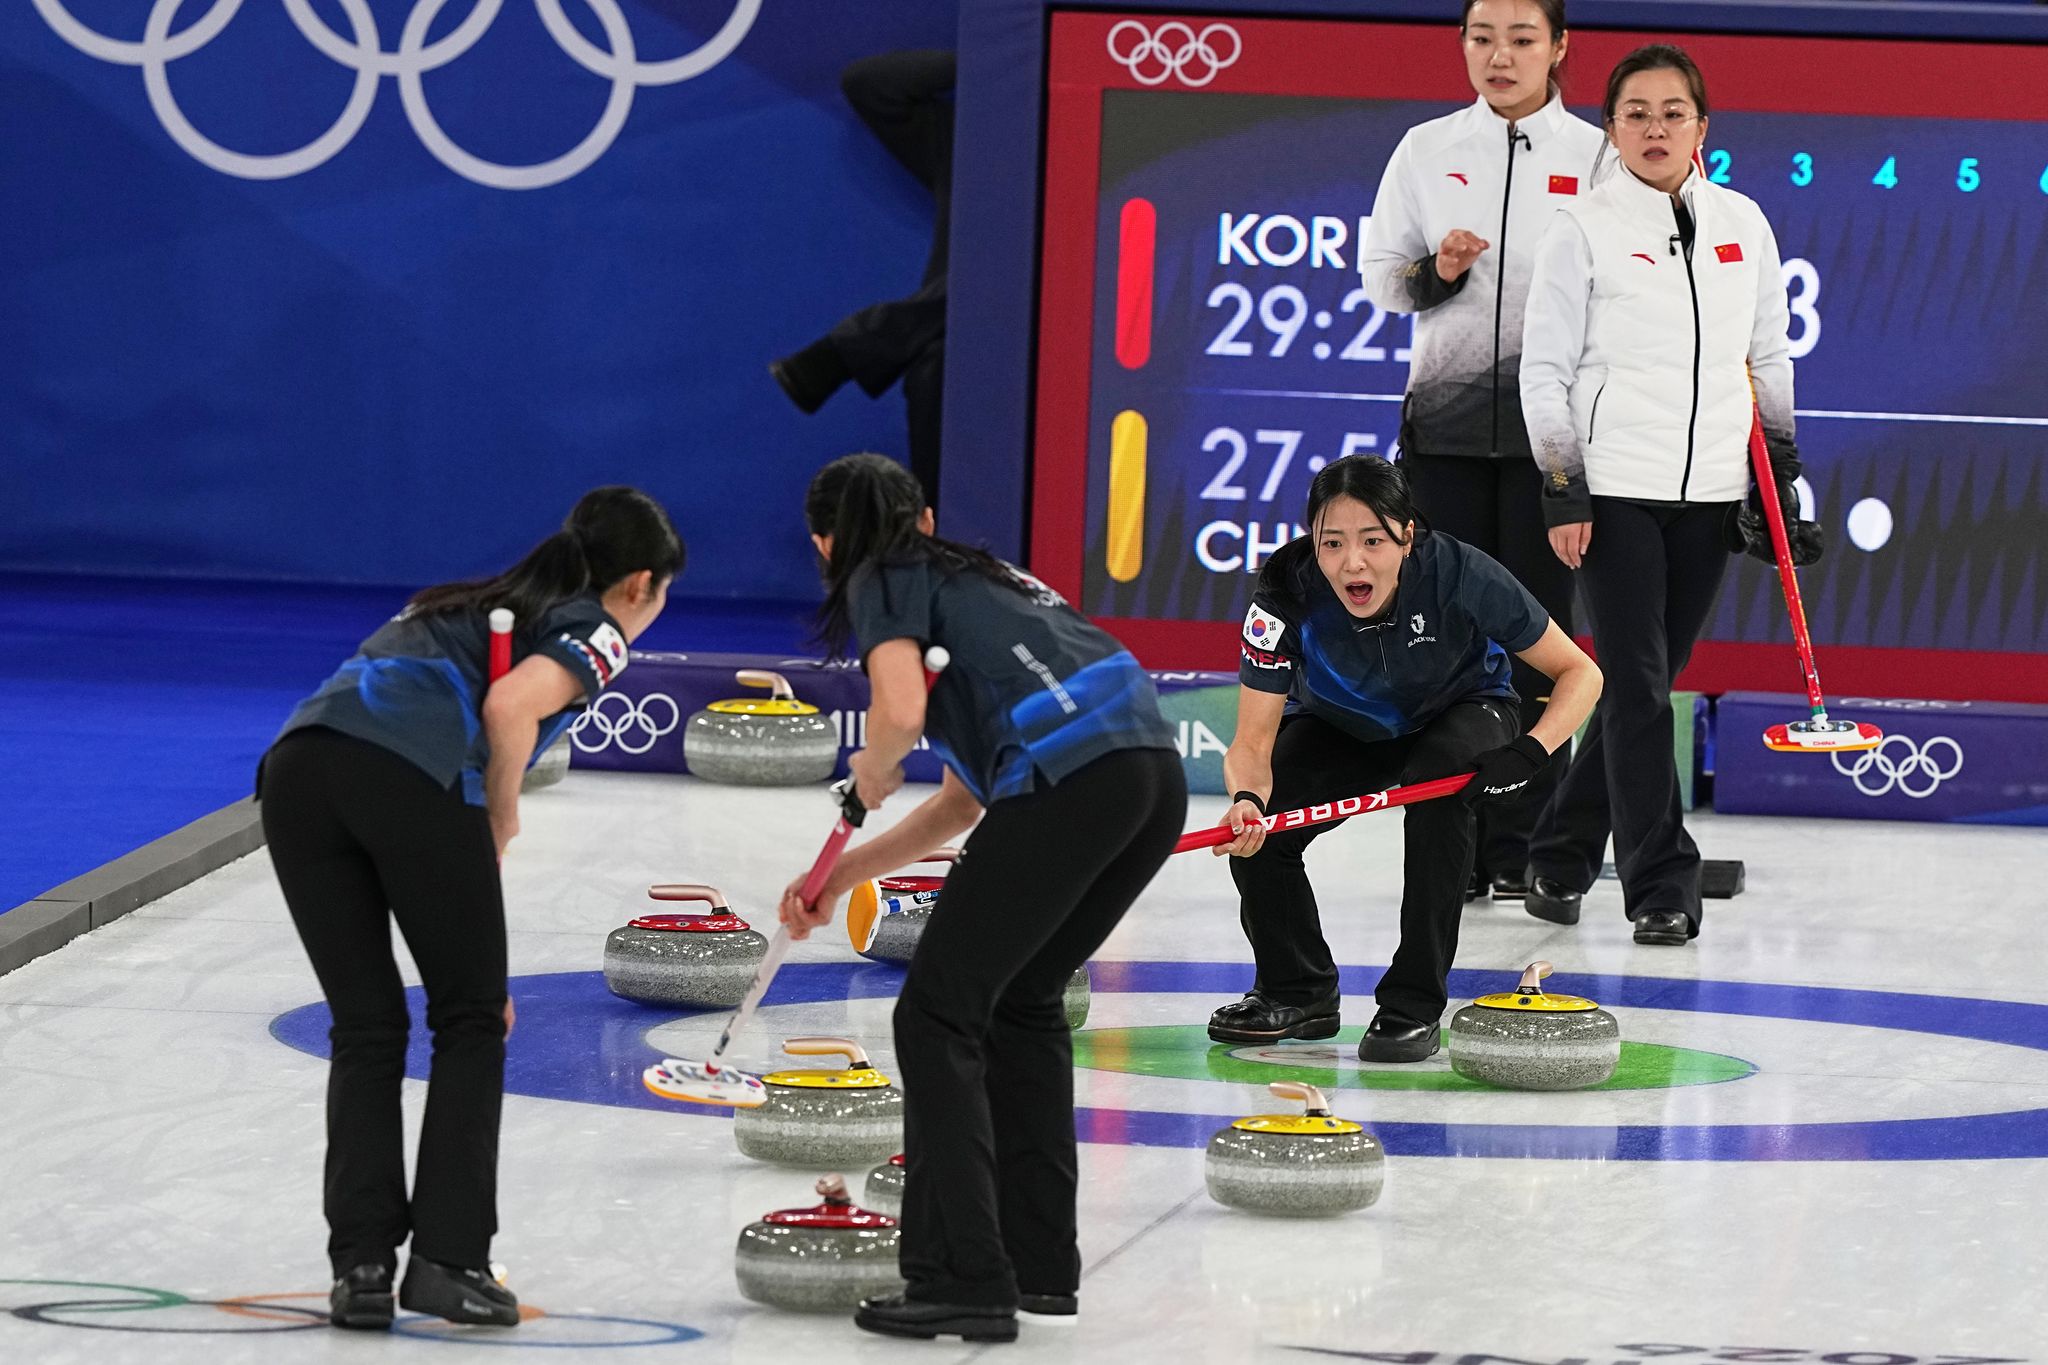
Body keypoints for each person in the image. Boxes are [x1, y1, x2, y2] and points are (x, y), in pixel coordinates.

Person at [776, 453, 1185, 1343]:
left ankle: (962, 1273)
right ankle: (1036, 1262)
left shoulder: (886, 571)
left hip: (1074, 780)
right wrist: (838, 877)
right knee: (1024, 999)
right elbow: (965, 801)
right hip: (1149, 775)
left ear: (826, 543)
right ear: (925, 516)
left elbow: (897, 712)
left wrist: (874, 766)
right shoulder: (988, 578)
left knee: (936, 1016)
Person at [259, 488, 682, 1329]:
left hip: (296, 775)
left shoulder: (467, 601)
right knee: (472, 1020)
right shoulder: (595, 629)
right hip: (409, 774)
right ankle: (450, 1259)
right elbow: (508, 706)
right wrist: (503, 812)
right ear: (639, 584)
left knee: (369, 1023)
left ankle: (364, 1266)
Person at [1518, 44, 1820, 944]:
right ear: (1610, 129)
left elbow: (1768, 356)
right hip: (1613, 491)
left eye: (1672, 112)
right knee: (1641, 685)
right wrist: (1564, 487)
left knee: (1643, 688)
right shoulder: (1582, 229)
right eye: (1636, 113)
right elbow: (1545, 370)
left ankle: (1561, 850)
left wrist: (1781, 475)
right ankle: (1661, 882)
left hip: (1714, 492)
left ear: (1702, 127)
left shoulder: (1746, 223)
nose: (1654, 128)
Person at [1206, 456, 1601, 1060]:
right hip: (1344, 725)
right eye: (1331, 543)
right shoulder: (1284, 592)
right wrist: (1246, 801)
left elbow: (1580, 672)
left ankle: (1412, 1004)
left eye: (1372, 541)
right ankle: (1297, 989)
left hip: (1464, 711)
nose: (1351, 563)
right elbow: (1252, 745)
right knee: (1268, 821)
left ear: (1407, 535)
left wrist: (1531, 750)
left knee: (1441, 791)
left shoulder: (1462, 572)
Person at [1359, 0, 1604, 904]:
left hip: (1554, 444)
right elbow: (1380, 277)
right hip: (1447, 436)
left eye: (1522, 39)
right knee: (1448, 636)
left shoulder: (1597, 155)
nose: (1499, 56)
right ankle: (1453, 841)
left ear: (1560, 48)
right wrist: (1438, 273)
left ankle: (1532, 850)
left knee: (1543, 638)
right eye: (1480, 37)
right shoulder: (1426, 150)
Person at [772, 51, 956, 507]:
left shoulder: (1100, 142)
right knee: (934, 363)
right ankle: (937, 547)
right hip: (951, 341)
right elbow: (870, 83)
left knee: (1018, 266)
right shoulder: (977, 140)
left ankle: (846, 350)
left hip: (1056, 326)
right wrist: (1007, 52)